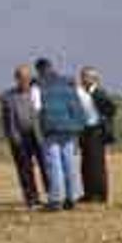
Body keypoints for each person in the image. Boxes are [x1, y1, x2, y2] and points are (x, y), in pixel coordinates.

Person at [35, 58, 86, 211]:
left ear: (39, 70)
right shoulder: (68, 83)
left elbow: (36, 109)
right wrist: (79, 126)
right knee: (70, 162)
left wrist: (39, 131)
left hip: (51, 129)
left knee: (54, 164)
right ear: (52, 67)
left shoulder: (38, 86)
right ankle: (72, 197)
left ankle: (56, 199)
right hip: (70, 128)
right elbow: (78, 105)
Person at [1, 64, 49, 209]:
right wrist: (13, 137)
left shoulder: (38, 93)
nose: (25, 81)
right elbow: (7, 121)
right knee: (25, 169)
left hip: (39, 136)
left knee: (46, 166)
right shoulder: (8, 97)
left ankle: (53, 195)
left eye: (27, 78)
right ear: (16, 79)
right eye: (21, 78)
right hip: (20, 137)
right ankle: (32, 198)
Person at [77, 67, 117, 204]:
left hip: (97, 131)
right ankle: (88, 193)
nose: (82, 79)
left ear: (94, 79)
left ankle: (100, 195)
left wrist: (104, 120)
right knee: (86, 164)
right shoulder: (82, 93)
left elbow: (112, 109)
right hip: (84, 130)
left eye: (85, 76)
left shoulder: (99, 93)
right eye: (82, 76)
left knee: (97, 164)